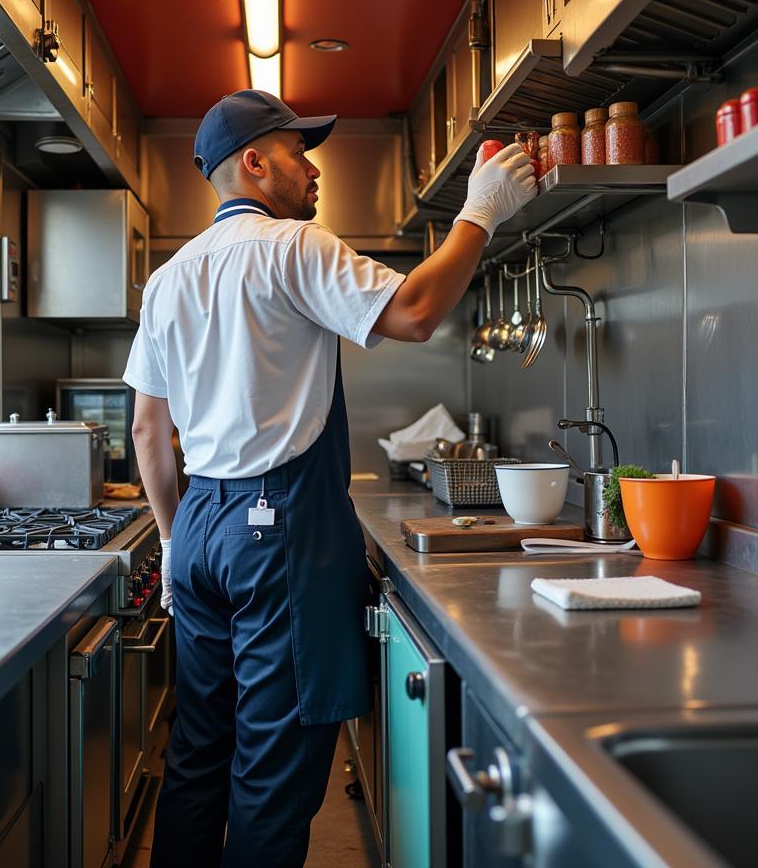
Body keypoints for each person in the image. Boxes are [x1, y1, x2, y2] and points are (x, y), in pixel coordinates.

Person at [123, 89, 535, 867]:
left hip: (202, 530)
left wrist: (177, 546)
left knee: (200, 753)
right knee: (273, 774)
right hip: (275, 530)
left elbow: (148, 429)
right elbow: (414, 312)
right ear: (253, 163)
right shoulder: (292, 246)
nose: (310, 170)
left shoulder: (168, 278)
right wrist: (479, 213)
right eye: (295, 151)